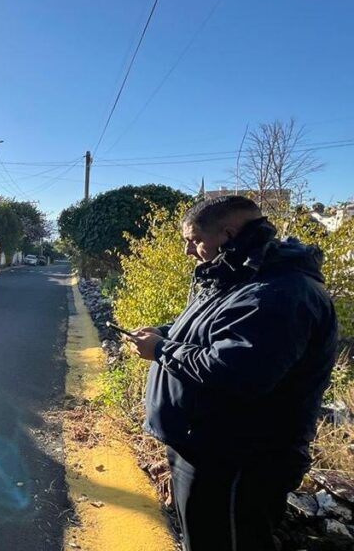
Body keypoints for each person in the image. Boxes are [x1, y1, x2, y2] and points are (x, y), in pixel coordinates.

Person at [127, 195, 338, 550]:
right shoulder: (238, 276)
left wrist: (161, 350)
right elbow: (210, 331)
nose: (188, 252)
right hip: (205, 446)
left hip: (238, 460)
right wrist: (164, 333)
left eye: (194, 241)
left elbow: (238, 371)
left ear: (228, 233)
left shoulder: (280, 292)